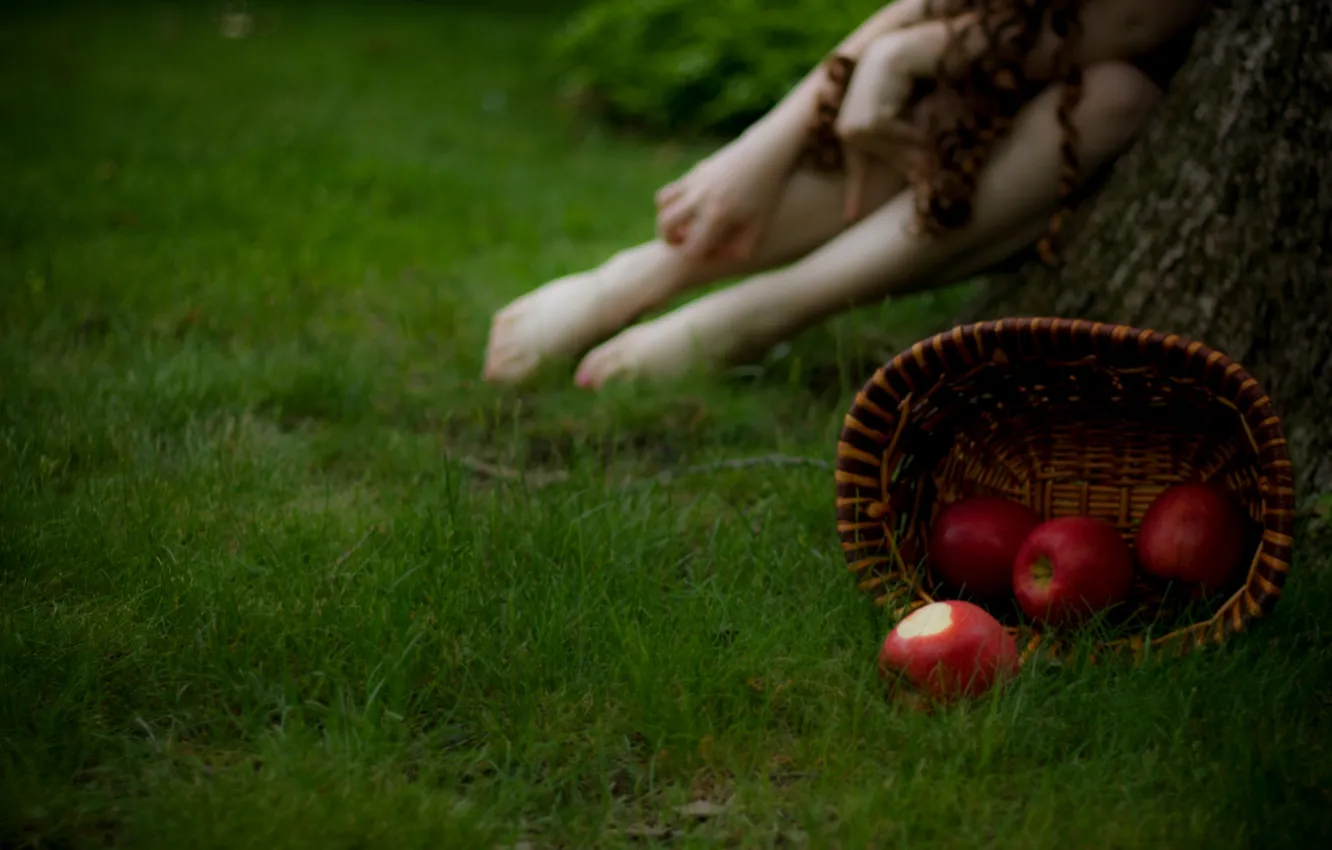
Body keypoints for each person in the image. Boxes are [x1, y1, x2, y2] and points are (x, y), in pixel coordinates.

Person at [483, 0, 1210, 390]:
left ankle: (758, 312)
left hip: (1103, 110)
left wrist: (908, 53)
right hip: (1007, 71)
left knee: (1108, 98)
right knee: (944, 102)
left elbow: (1138, 19)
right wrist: (769, 142)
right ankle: (652, 272)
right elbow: (931, 8)